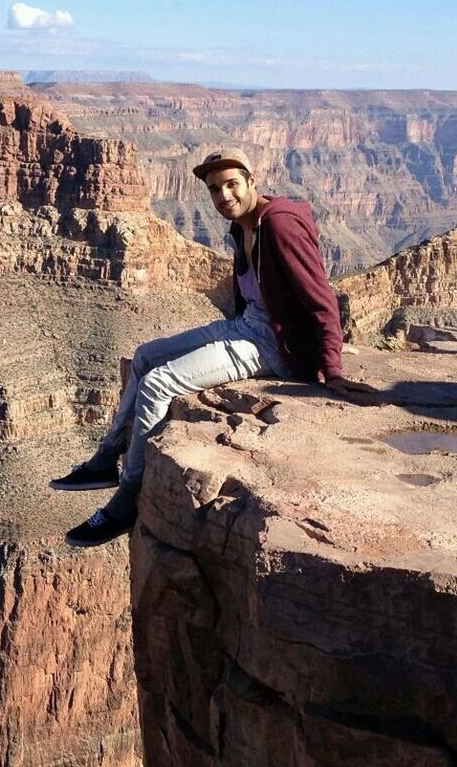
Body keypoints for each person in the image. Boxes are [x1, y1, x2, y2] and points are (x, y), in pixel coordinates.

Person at [58, 146, 376, 547]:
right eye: (214, 189)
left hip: (274, 346)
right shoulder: (241, 226)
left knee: (159, 383)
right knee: (144, 357)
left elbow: (321, 297)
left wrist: (332, 370)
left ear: (251, 181)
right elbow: (250, 295)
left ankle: (127, 498)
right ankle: (105, 461)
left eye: (231, 185)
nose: (224, 196)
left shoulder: (279, 226)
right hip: (247, 326)